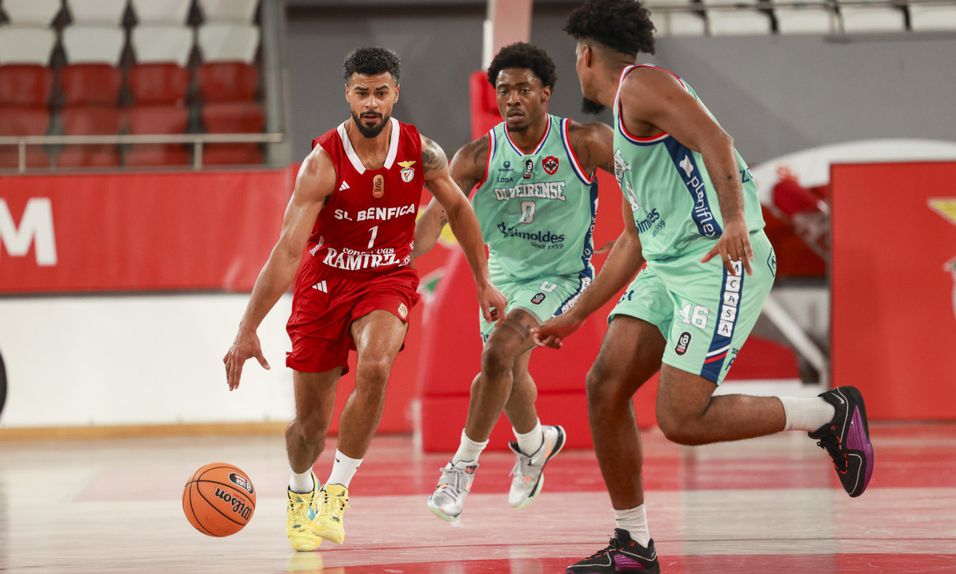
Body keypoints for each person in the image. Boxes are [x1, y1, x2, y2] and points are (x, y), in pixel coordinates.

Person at [533, 2, 875, 572]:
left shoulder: (640, 86)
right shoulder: (626, 123)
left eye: (575, 58)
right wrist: (575, 314)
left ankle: (827, 412)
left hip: (719, 261)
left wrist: (736, 218)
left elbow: (717, 140)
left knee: (681, 420)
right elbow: (633, 241)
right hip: (668, 265)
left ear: (585, 54)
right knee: (604, 385)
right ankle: (632, 543)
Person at [222, 47, 507, 552]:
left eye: (380, 92)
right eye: (361, 93)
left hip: (386, 278)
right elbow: (287, 251)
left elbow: (460, 210)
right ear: (347, 95)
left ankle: (337, 491)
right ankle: (301, 489)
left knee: (376, 366)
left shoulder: (423, 152)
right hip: (325, 285)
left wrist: (482, 280)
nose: (371, 103)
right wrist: (247, 327)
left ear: (395, 93)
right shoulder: (322, 163)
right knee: (309, 428)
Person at [413, 42, 614, 522]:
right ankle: (535, 444)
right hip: (503, 277)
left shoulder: (583, 141)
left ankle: (460, 469)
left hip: (561, 276)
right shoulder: (476, 156)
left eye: (524, 89)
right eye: (504, 91)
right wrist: (391, 258)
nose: (513, 99)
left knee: (497, 354)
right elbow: (433, 220)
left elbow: (645, 175)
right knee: (511, 375)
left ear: (546, 92)